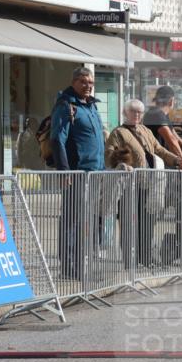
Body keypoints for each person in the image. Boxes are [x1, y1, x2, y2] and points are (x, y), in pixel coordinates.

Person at [105, 99, 182, 267]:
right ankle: (130, 261)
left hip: (150, 184)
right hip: (129, 185)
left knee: (148, 222)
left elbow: (159, 150)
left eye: (140, 112)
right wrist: (120, 164)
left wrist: (176, 160)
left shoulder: (146, 130)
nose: (137, 115)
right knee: (128, 223)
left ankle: (146, 258)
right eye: (133, 111)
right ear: (125, 113)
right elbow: (109, 155)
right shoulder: (118, 132)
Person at [51, 67, 105, 278]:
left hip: (94, 174)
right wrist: (65, 171)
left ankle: (82, 267)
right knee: (72, 222)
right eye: (83, 82)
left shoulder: (90, 106)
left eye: (90, 83)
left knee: (85, 221)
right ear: (73, 82)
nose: (88, 86)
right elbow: (57, 140)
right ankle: (69, 267)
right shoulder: (66, 105)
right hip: (76, 174)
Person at [144, 85, 182, 166]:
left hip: (161, 163)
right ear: (171, 101)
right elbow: (171, 140)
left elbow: (178, 140)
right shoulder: (156, 114)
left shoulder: (164, 115)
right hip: (153, 164)